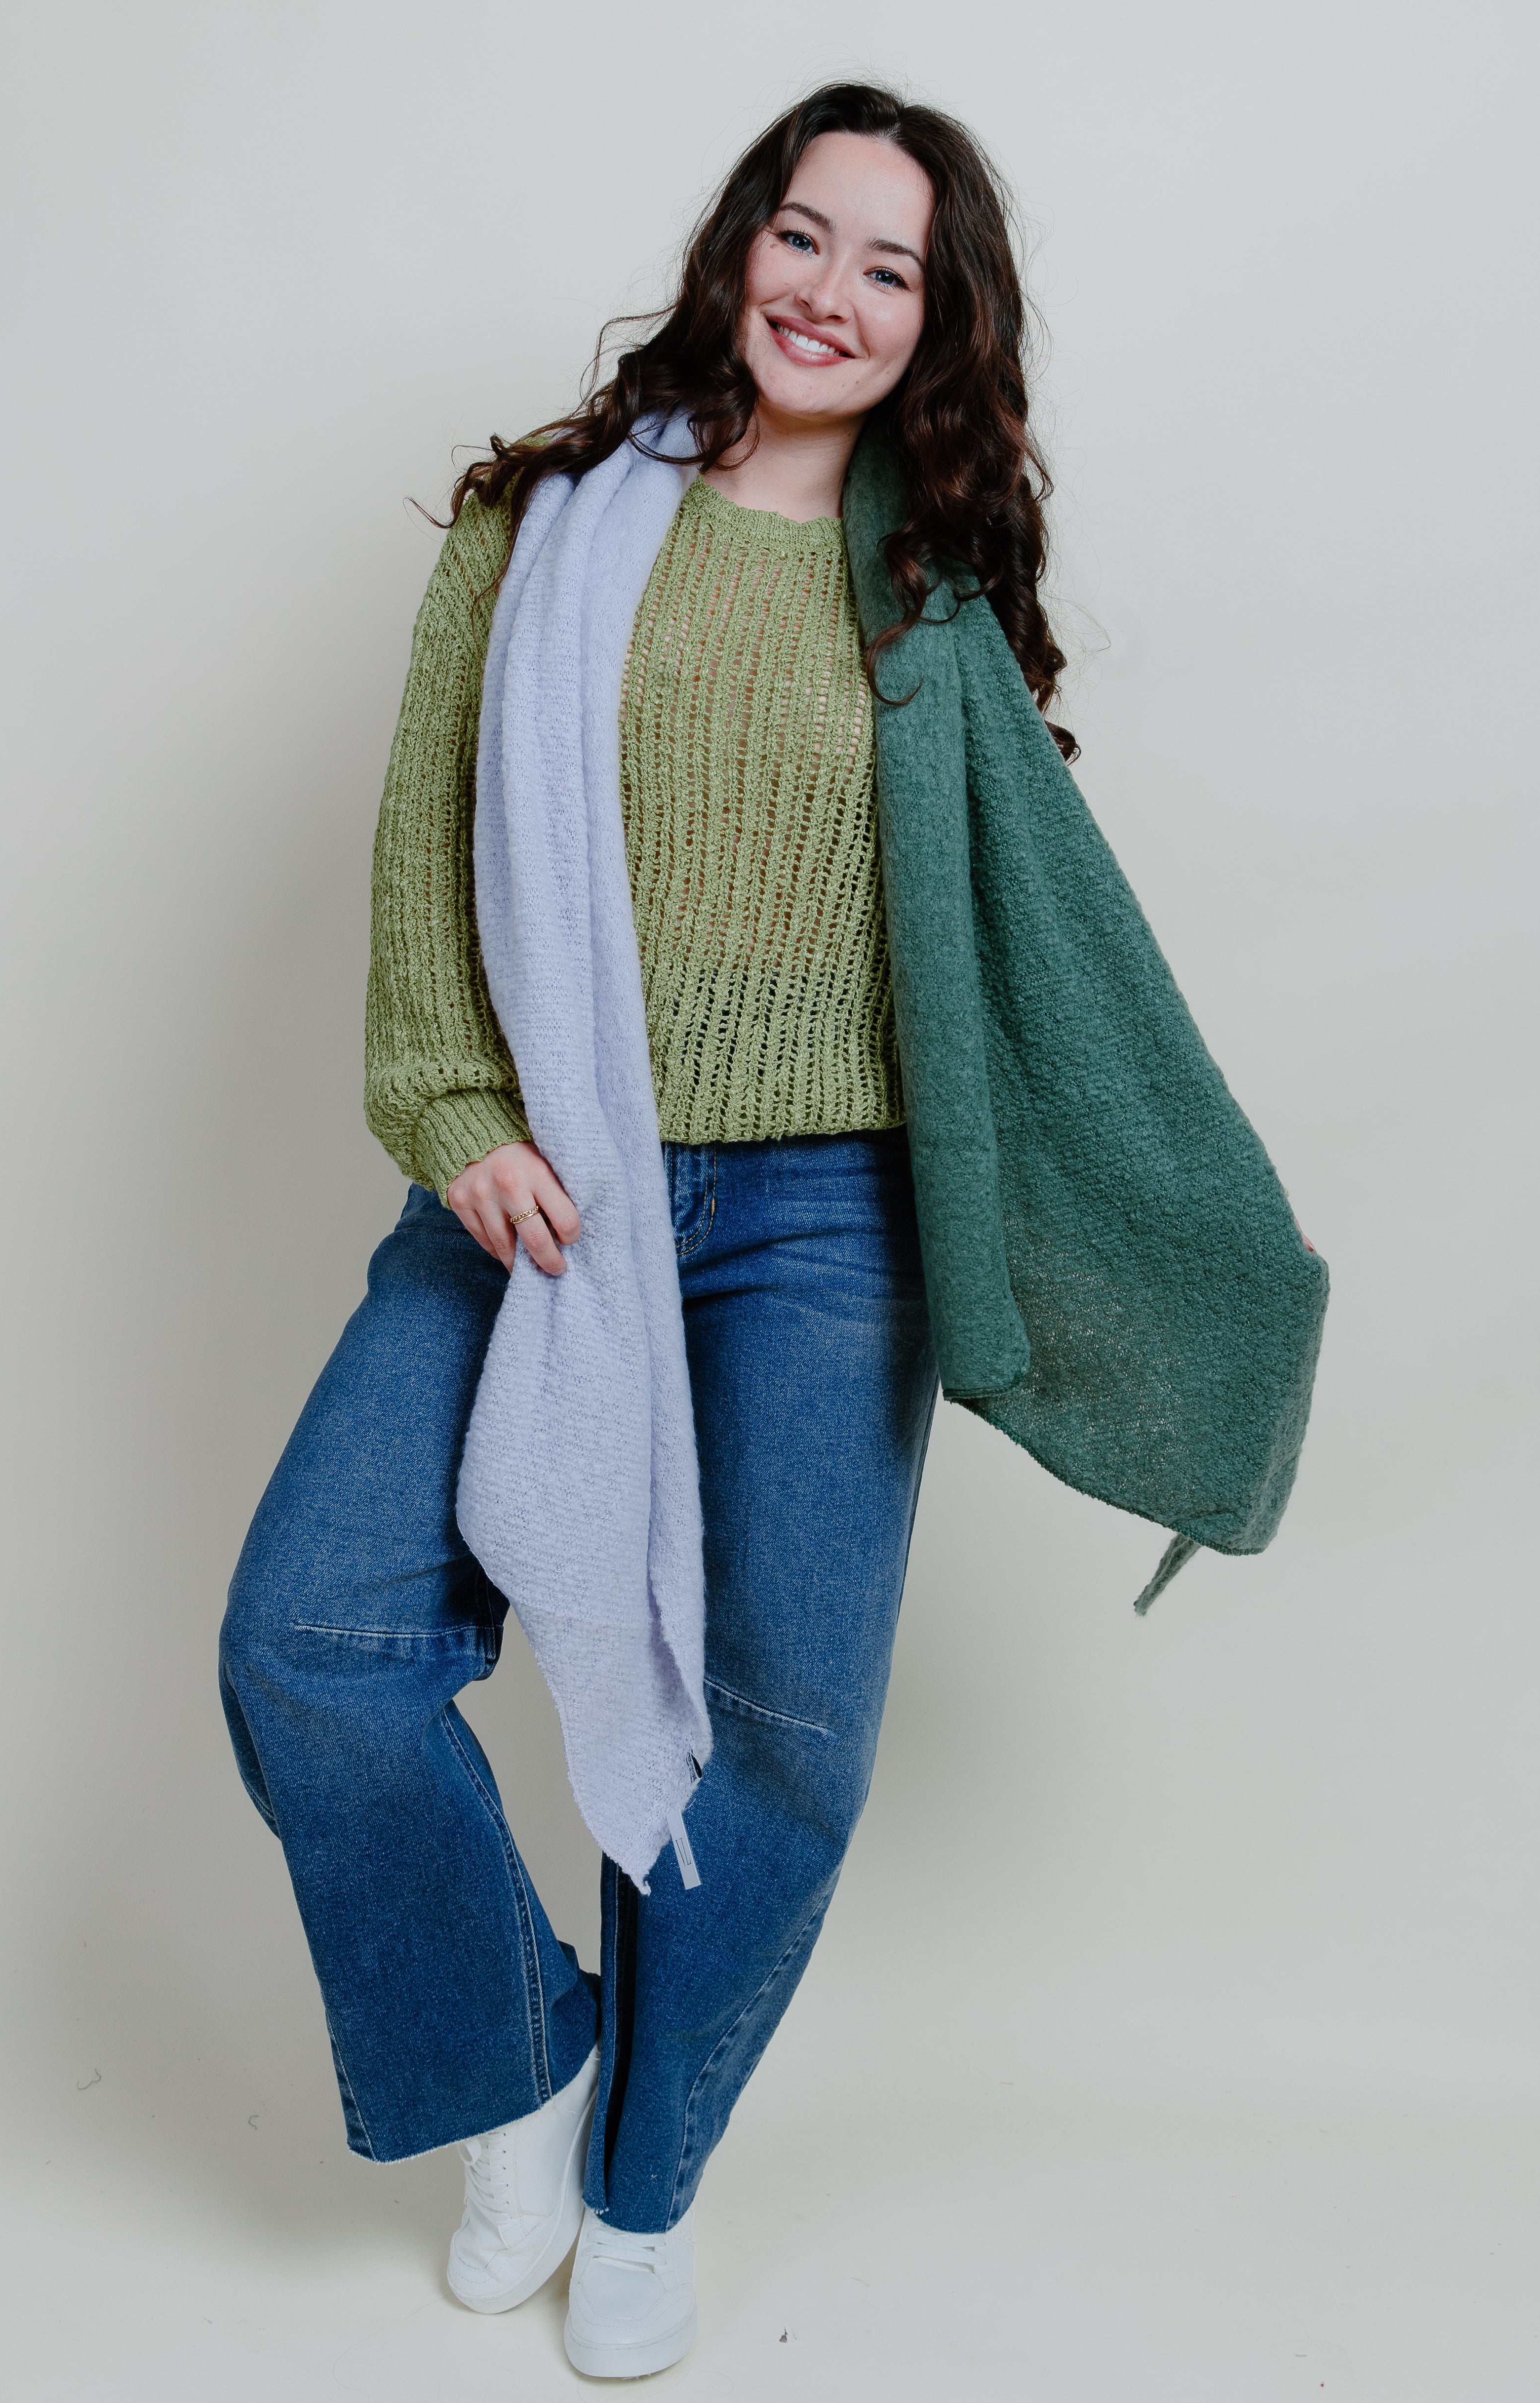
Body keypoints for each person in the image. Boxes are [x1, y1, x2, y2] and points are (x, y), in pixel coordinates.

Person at [219, 79, 1325, 2384]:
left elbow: (1033, 953)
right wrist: (449, 1107)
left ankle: (642, 2183)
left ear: (937, 322)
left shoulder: (932, 605)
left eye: (885, 266)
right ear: (741, 244)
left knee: (785, 1737)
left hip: (828, 1212)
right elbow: (423, 838)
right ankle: (518, 2065)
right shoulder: (536, 528)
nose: (826, 291)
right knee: (310, 1639)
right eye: (800, 235)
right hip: (548, 1175)